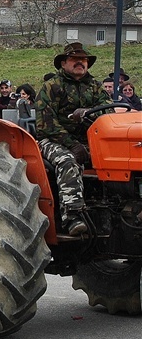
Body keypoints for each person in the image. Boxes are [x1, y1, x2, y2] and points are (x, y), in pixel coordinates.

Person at [36, 42, 112, 236]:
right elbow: (47, 125)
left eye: (83, 60)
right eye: (75, 59)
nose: (80, 63)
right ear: (64, 63)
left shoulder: (95, 87)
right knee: (68, 161)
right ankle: (72, 216)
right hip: (53, 140)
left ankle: (112, 208)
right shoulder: (52, 87)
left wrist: (88, 113)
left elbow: (108, 111)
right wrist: (72, 144)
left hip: (88, 141)